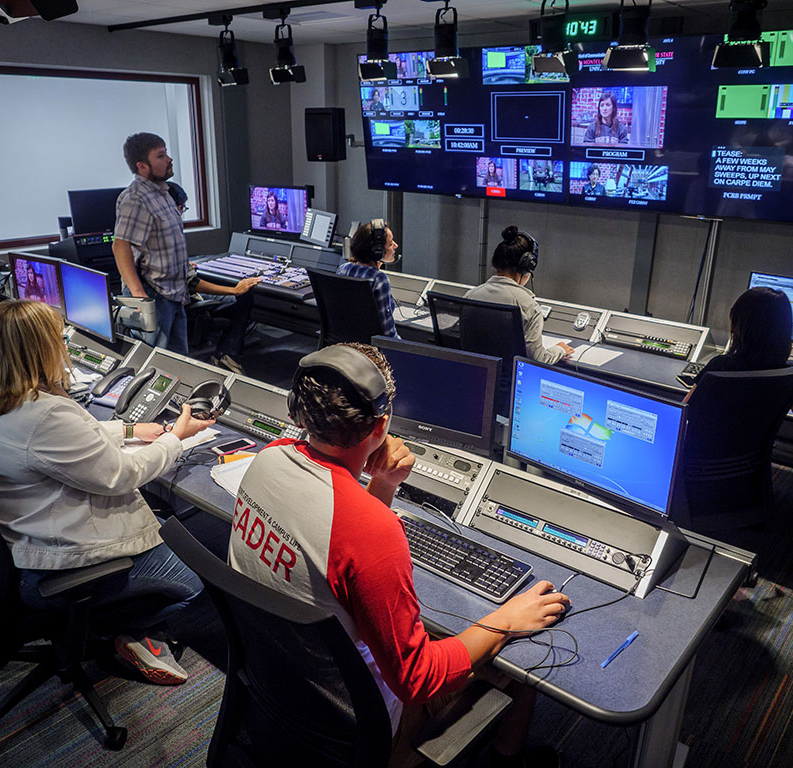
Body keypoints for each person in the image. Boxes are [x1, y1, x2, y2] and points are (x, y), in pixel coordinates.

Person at [228, 343, 570, 766]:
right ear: (382, 424)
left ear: (300, 410)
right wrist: (504, 621)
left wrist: (383, 485)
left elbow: (336, 542)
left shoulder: (270, 457)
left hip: (284, 690)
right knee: (520, 664)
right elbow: (417, 679)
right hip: (359, 731)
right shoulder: (373, 529)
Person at [0, 299, 215, 685]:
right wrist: (176, 438)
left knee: (162, 521)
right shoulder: (44, 415)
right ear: (39, 349)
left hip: (16, 545)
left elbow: (60, 442)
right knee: (201, 583)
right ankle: (122, 631)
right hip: (57, 567)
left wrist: (128, 430)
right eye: (57, 339)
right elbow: (122, 475)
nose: (62, 346)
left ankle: (111, 624)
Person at [113, 132, 259, 371]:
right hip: (154, 296)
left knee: (178, 365)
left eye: (166, 153)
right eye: (160, 156)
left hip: (173, 295)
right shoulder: (136, 199)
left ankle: (180, 406)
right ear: (142, 166)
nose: (169, 159)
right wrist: (140, 297)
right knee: (152, 366)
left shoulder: (162, 194)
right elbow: (121, 246)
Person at [686, 286, 793, 433]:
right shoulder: (791, 374)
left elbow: (684, 411)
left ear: (738, 327)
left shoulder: (720, 366)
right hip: (754, 456)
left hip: (703, 454)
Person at [465, 226, 575, 365]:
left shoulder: (470, 295)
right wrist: (560, 349)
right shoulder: (528, 306)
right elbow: (537, 359)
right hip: (509, 382)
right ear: (527, 267)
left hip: (474, 375)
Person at [337, 220, 401, 338]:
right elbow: (388, 333)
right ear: (377, 252)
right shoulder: (379, 280)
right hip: (370, 352)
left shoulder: (343, 269)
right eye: (391, 244)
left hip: (345, 346)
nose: (396, 246)